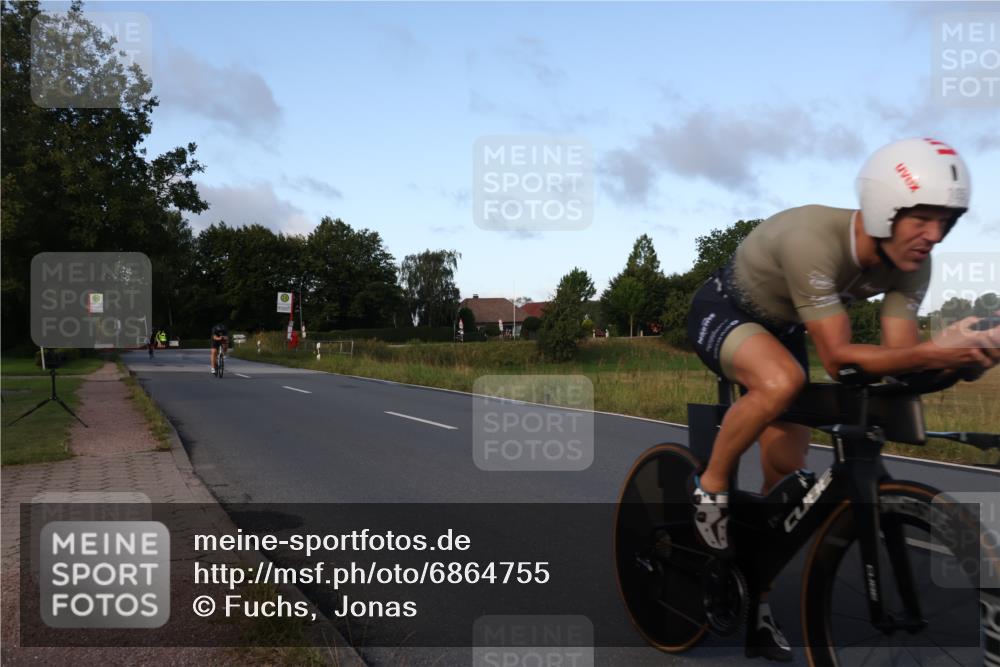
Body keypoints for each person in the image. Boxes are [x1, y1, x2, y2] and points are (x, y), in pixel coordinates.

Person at [685, 137, 1000, 661]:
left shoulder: (913, 266)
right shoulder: (814, 238)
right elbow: (837, 357)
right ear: (884, 208)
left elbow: (900, 364)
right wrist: (935, 350)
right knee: (782, 382)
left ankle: (757, 606)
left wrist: (961, 362)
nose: (934, 235)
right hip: (725, 309)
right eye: (923, 218)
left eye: (947, 221)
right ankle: (710, 487)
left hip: (782, 327)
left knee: (783, 483)